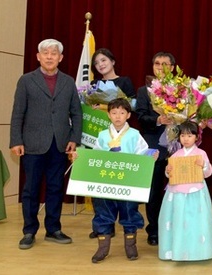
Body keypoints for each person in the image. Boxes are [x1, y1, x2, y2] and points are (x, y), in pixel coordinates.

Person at [10, 38, 82, 250]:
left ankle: (53, 229)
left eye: (54, 53)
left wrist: (74, 138)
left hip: (60, 144)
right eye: (45, 53)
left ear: (60, 58)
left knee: (55, 188)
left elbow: (76, 114)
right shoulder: (26, 80)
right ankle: (29, 231)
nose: (49, 56)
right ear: (38, 56)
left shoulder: (68, 82)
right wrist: (16, 140)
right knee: (31, 189)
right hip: (32, 143)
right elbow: (17, 113)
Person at [87, 98, 156, 263]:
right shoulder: (103, 135)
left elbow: (143, 153)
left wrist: (151, 156)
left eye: (122, 113)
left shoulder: (134, 135)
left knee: (129, 211)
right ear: (109, 115)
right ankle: (102, 248)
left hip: (127, 183)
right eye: (114, 113)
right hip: (106, 183)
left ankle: (130, 246)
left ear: (128, 115)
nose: (118, 116)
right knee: (103, 212)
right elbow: (95, 156)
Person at [88, 48, 137, 239]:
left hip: (121, 139)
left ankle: (127, 225)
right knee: (99, 182)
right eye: (97, 62)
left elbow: (133, 104)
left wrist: (105, 106)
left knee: (119, 180)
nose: (100, 64)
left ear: (113, 61)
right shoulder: (93, 84)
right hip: (98, 135)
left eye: (103, 60)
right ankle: (102, 225)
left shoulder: (124, 81)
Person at [159, 120, 212, 261]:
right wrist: (168, 170)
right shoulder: (175, 155)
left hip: (196, 193)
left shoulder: (201, 154)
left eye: (190, 135)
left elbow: (208, 172)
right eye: (183, 135)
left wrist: (203, 165)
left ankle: (198, 251)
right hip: (176, 193)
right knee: (177, 221)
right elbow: (169, 175)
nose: (186, 139)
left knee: (196, 222)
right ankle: (177, 251)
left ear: (196, 137)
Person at [136, 52, 175, 245]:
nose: (160, 67)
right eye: (157, 64)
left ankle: (176, 228)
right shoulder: (144, 91)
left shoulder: (181, 90)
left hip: (178, 148)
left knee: (177, 190)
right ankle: (154, 230)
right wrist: (159, 119)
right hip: (154, 147)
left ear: (173, 68)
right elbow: (141, 117)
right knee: (154, 192)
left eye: (165, 64)